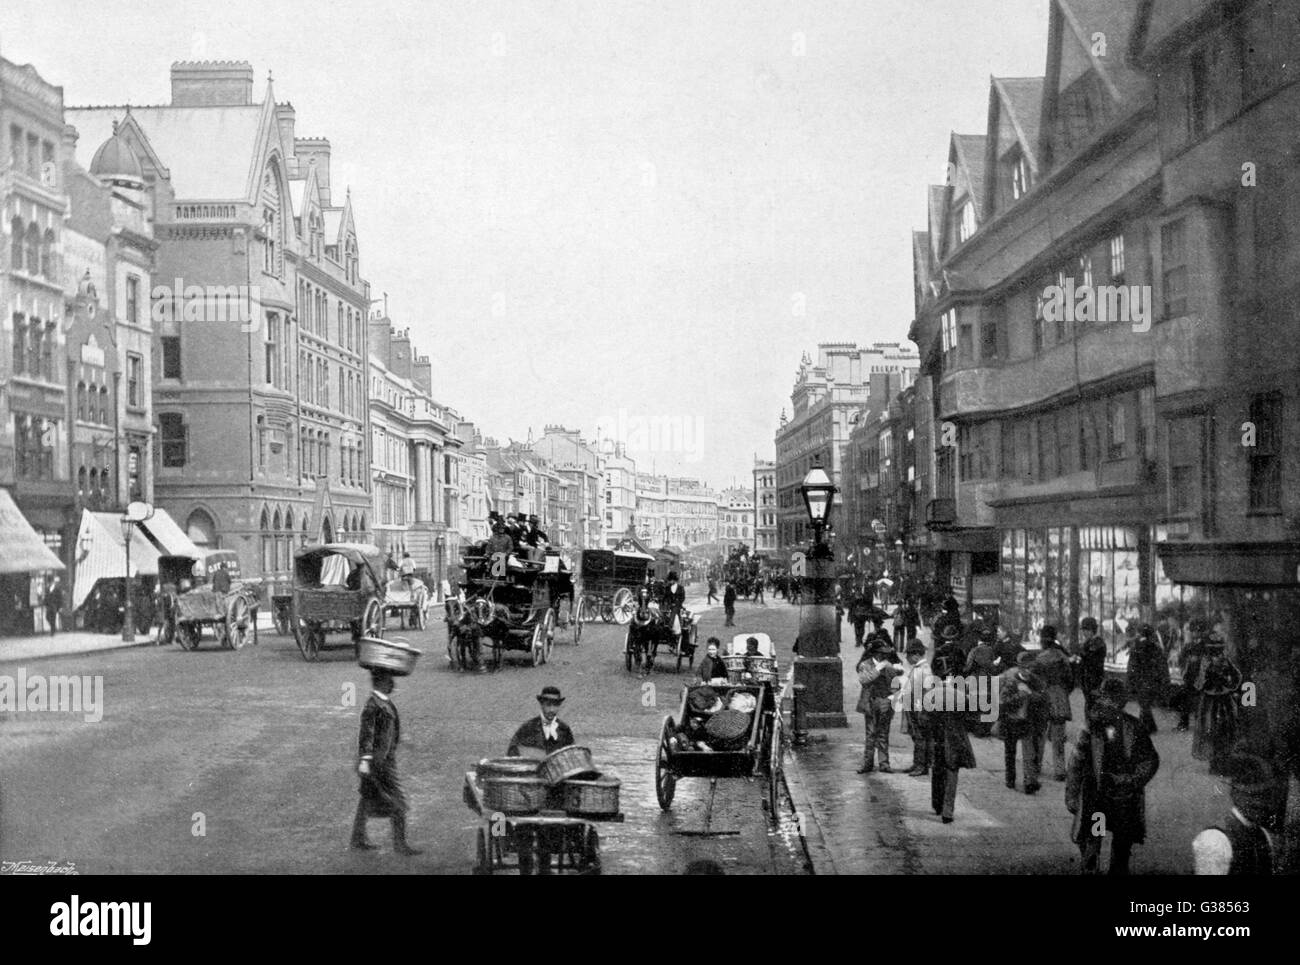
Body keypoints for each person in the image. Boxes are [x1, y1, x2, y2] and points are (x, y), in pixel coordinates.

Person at [1066, 678, 1159, 875]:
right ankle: (1091, 869)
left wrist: (1131, 780)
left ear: (1120, 703)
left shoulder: (1134, 728)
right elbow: (1076, 763)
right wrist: (1072, 795)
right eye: (1103, 700)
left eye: (1109, 701)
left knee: (1122, 844)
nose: (1104, 705)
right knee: (1093, 840)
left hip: (1124, 797)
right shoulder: (1092, 728)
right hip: (1097, 796)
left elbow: (1150, 760)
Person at [350, 668, 422, 855]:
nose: (393, 684)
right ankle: (400, 845)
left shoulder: (382, 703)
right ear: (382, 681)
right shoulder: (373, 706)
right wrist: (365, 759)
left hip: (381, 760)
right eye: (390, 680)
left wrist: (402, 740)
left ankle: (358, 839)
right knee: (398, 801)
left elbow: (387, 730)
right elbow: (367, 734)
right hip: (379, 763)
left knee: (367, 798)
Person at [1193, 753, 1280, 875]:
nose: (1260, 803)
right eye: (1252, 795)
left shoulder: (1264, 836)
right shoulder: (1215, 838)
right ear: (1235, 795)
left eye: (1265, 796)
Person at [928, 655, 978, 823]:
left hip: (937, 737)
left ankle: (937, 804)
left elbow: (922, 718)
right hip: (955, 738)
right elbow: (972, 716)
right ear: (950, 676)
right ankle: (947, 811)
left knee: (937, 769)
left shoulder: (930, 694)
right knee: (952, 772)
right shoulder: (960, 694)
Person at [1192, 631, 1242, 776]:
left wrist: (1230, 685)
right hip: (1210, 699)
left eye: (1218, 648)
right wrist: (1208, 679)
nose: (1216, 651)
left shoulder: (1226, 660)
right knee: (1210, 729)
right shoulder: (1205, 661)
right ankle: (1214, 763)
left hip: (1223, 698)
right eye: (1214, 648)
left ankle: (1224, 761)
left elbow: (1237, 675)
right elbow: (1199, 683)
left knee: (1226, 728)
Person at [998, 652, 1048, 793]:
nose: (1028, 672)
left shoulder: (1036, 681)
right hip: (1012, 721)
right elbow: (1003, 701)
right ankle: (1010, 779)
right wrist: (1020, 695)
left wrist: (1030, 694)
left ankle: (1029, 783)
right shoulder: (1011, 681)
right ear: (1019, 668)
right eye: (1025, 668)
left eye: (1030, 668)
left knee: (1029, 753)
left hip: (1028, 721)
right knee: (1010, 752)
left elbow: (1044, 699)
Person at [1033, 625, 1074, 781]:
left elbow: (1034, 681)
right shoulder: (1063, 657)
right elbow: (1070, 680)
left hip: (1044, 699)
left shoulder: (1040, 659)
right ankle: (1059, 770)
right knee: (1058, 737)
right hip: (1060, 698)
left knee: (1040, 735)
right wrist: (1062, 692)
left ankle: (1036, 765)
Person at [855, 639, 900, 773]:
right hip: (870, 702)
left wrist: (892, 698)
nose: (883, 657)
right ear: (874, 654)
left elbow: (895, 685)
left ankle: (884, 763)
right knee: (870, 734)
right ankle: (868, 763)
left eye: (885, 654)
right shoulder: (865, 665)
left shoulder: (889, 666)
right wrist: (878, 669)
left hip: (884, 702)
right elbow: (864, 680)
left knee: (883, 734)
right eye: (881, 654)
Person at [896, 640, 931, 776]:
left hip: (919, 709)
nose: (906, 658)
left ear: (916, 655)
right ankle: (918, 763)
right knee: (917, 737)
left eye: (908, 655)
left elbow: (925, 692)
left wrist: (921, 710)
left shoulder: (923, 670)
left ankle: (922, 766)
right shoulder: (919, 669)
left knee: (920, 737)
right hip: (915, 708)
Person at [1126, 624, 1167, 735]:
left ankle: (1146, 726)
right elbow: (1162, 665)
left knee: (1144, 704)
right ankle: (1148, 726)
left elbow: (1132, 666)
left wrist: (1130, 680)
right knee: (1145, 703)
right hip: (1152, 679)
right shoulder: (1156, 647)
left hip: (1141, 679)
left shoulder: (1137, 647)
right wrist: (1162, 679)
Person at [1175, 620, 1208, 731]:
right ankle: (1184, 723)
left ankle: (1201, 723)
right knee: (1184, 700)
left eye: (1198, 631)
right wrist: (1187, 662)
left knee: (1201, 701)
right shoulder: (1188, 646)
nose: (1196, 634)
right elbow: (1181, 659)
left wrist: (1199, 660)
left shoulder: (1206, 646)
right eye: (1194, 631)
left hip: (1202, 677)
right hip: (1189, 676)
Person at [1077, 617, 1108, 717]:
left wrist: (1081, 654)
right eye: (1083, 630)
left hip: (1094, 679)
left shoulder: (1097, 642)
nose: (1084, 632)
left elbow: (1090, 660)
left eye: (1087, 630)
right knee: (1089, 704)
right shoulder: (1088, 642)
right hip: (1086, 680)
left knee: (1093, 705)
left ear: (1093, 630)